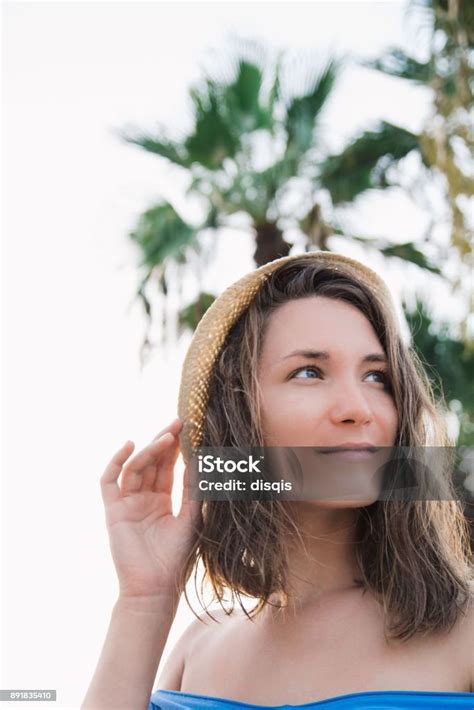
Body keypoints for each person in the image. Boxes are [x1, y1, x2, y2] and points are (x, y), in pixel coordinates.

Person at [81, 252, 473, 710]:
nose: (358, 408)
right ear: (241, 420)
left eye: (376, 376)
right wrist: (144, 598)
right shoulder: (198, 647)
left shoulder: (464, 627)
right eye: (309, 372)